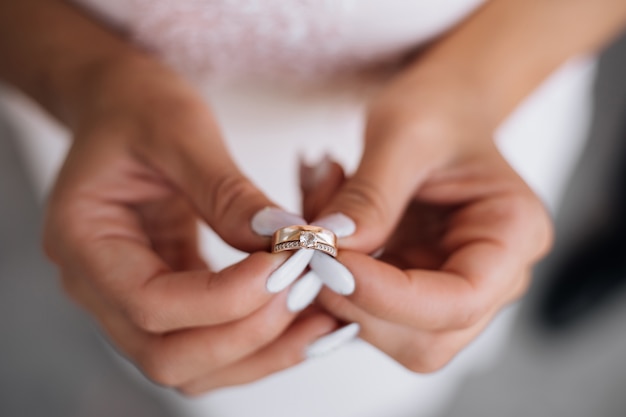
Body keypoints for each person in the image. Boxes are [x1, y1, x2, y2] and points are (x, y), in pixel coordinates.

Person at [1, 0, 625, 416]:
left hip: (454, 142)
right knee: (170, 329)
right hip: (128, 150)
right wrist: (84, 80)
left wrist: (472, 91)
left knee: (402, 350)